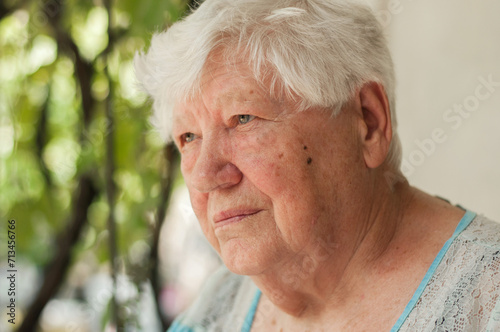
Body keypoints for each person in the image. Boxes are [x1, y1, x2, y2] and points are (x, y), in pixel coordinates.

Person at [134, 0, 500, 330]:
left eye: (243, 118)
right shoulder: (218, 307)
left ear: (368, 123)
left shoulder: (486, 301)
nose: (204, 176)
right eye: (188, 137)